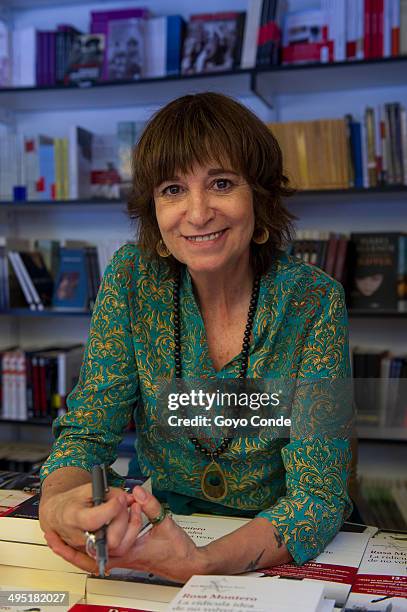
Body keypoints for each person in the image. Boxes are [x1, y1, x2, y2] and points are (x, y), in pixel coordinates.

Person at [39, 92, 352, 583]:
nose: (198, 212)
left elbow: (318, 494)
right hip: (161, 528)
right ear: (155, 214)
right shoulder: (131, 281)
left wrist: (200, 564)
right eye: (172, 190)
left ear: (261, 199)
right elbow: (86, 435)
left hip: (269, 551)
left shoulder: (313, 302)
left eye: (221, 183)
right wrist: (59, 507)